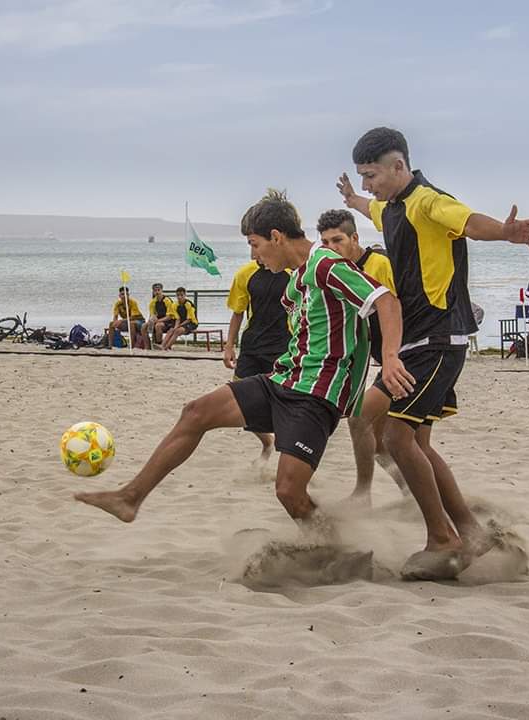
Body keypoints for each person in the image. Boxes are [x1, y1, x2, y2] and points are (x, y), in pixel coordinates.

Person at [74, 189, 413, 536]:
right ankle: (130, 498)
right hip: (284, 380)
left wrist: (388, 360)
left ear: (276, 237)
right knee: (196, 412)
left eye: (255, 244)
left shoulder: (326, 264)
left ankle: (334, 546)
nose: (254, 255)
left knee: (288, 492)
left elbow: (385, 301)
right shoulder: (296, 280)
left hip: (316, 396)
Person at [337, 126, 529, 579]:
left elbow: (469, 221)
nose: (369, 183)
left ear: (399, 166)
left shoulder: (428, 200)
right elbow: (371, 208)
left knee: (395, 436)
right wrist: (354, 198)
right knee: (409, 441)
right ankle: (470, 532)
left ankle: (443, 538)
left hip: (438, 337)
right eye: (363, 176)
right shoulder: (392, 205)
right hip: (418, 339)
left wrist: (506, 232)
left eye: (371, 174)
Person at [316, 208, 408, 500]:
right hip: (384, 361)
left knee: (359, 419)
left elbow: (396, 308)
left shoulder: (378, 264)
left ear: (355, 238)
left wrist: (393, 355)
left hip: (404, 357)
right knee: (380, 444)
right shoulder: (337, 273)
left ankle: (362, 493)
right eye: (325, 243)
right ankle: (410, 493)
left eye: (337, 240)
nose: (331, 248)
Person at [223, 245, 292, 460]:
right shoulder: (245, 274)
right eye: (250, 247)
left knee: (284, 403)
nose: (253, 253)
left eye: (256, 246)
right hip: (252, 345)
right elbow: (238, 313)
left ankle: (286, 452)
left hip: (283, 345)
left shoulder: (292, 273)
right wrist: (229, 346)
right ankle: (267, 442)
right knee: (240, 399)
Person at [141, 283, 176, 349]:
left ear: (162, 290)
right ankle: (147, 346)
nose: (157, 292)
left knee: (158, 325)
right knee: (143, 326)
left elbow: (170, 316)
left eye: (158, 290)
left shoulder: (167, 301)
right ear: (153, 292)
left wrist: (157, 321)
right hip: (158, 320)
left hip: (169, 321)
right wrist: (150, 321)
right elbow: (152, 315)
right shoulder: (153, 302)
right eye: (155, 290)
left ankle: (159, 344)